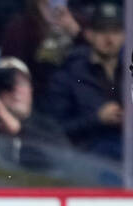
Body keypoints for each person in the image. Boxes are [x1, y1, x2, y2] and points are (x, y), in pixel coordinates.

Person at [45, 2, 124, 163]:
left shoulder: (127, 71)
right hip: (89, 160)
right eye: (102, 31)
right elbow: (54, 130)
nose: (109, 39)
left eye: (115, 31)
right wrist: (96, 119)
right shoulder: (68, 75)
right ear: (89, 34)